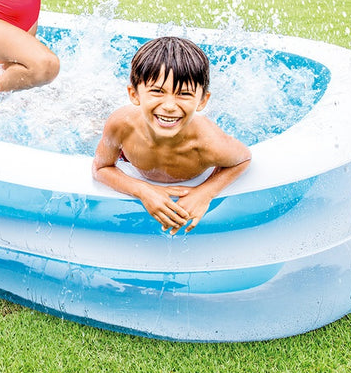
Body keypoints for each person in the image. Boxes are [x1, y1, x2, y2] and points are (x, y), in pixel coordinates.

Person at [92, 36, 251, 234]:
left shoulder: (210, 142)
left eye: (184, 94)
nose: (169, 106)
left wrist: (206, 193)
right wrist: (142, 190)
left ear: (202, 100)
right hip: (130, 150)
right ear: (134, 94)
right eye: (157, 91)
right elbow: (101, 168)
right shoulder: (121, 125)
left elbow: (243, 159)